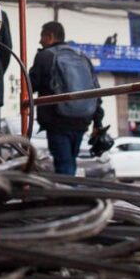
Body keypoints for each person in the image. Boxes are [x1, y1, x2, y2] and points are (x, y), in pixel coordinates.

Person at [29, 21, 105, 176]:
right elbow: (95, 90)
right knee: (70, 162)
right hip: (82, 120)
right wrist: (98, 123)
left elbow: (31, 86)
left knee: (64, 166)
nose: (40, 41)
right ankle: (71, 196)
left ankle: (70, 198)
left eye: (42, 37)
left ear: (50, 36)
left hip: (57, 121)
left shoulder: (44, 57)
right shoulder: (82, 57)